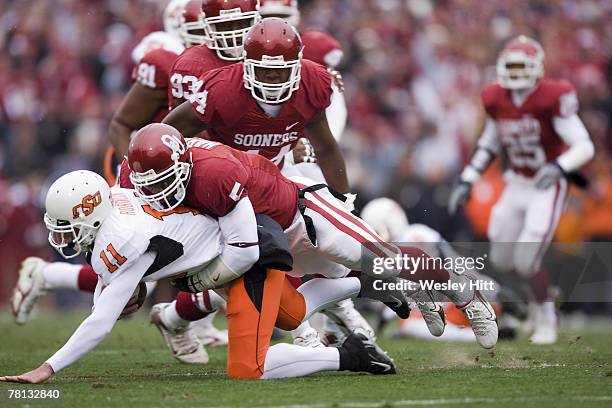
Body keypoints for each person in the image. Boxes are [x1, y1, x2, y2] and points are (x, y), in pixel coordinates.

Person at [0, 170, 399, 383]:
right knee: (291, 315)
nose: (63, 237)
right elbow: (113, 289)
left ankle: (351, 355)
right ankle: (369, 284)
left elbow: (100, 321)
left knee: (249, 368)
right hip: (235, 247)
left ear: (90, 214)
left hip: (245, 255)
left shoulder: (121, 238)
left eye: (68, 227)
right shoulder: (116, 203)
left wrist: (48, 368)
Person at [126, 123, 499, 350]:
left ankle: (465, 292)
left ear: (184, 162)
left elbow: (238, 252)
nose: (160, 191)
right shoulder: (139, 179)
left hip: (303, 217)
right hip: (266, 237)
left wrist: (186, 278)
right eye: (150, 184)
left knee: (383, 260)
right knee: (307, 294)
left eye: (164, 179)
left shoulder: (214, 173)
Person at [448, 35, 594, 344]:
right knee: (502, 259)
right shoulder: (496, 98)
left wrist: (559, 166)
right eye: (510, 66)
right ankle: (541, 294)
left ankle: (546, 313)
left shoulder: (552, 96)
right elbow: (489, 143)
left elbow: (584, 145)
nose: (515, 73)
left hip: (546, 184)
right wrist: (468, 178)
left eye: (521, 66)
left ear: (537, 67)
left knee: (527, 259)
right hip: (515, 183)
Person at [161, 17, 350, 193]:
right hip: (224, 177)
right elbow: (166, 136)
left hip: (280, 171)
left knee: (329, 212)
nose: (272, 76)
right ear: (246, 64)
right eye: (264, 68)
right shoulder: (223, 89)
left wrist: (345, 204)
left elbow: (326, 149)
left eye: (281, 69)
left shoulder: (312, 81)